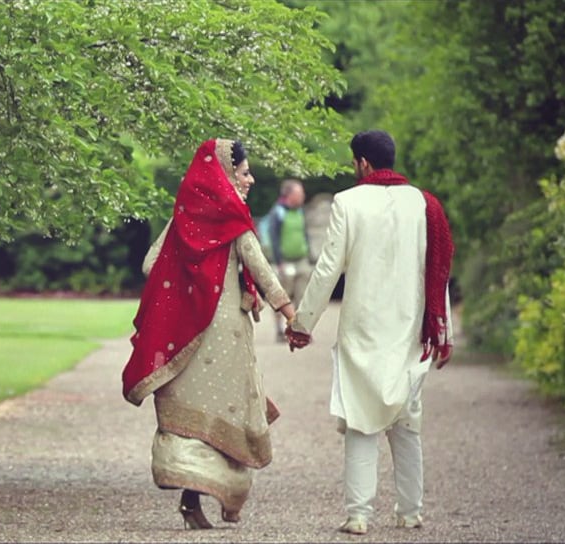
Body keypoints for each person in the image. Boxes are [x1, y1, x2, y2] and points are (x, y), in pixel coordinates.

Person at [285, 130, 454, 535]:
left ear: (362, 162)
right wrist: (442, 329)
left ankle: (359, 515)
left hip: (363, 328)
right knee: (407, 422)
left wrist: (303, 323)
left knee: (361, 421)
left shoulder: (348, 202)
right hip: (411, 328)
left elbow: (328, 268)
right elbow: (438, 271)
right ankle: (410, 511)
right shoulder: (424, 203)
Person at [123, 139, 294, 530]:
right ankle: (225, 498)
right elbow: (259, 264)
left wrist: (188, 284)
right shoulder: (232, 216)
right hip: (224, 335)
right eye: (245, 172)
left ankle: (195, 500)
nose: (250, 180)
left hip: (188, 337)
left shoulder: (184, 217)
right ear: (225, 173)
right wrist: (288, 311)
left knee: (197, 415)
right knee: (229, 410)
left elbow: (152, 264)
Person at [262, 179, 312, 341]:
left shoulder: (300, 211)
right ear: (290, 195)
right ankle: (279, 331)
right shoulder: (278, 212)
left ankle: (299, 331)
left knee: (303, 297)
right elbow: (274, 238)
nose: (303, 196)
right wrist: (279, 261)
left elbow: (304, 233)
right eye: (300, 193)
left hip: (301, 260)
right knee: (282, 298)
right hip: (284, 262)